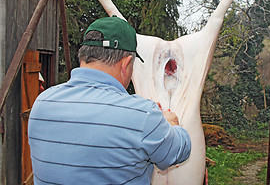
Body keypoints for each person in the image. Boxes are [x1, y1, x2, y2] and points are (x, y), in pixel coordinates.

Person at [28, 15, 192, 184]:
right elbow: (180, 150)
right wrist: (169, 123)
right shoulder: (142, 115)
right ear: (126, 64)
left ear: (84, 56)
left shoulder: (42, 103)